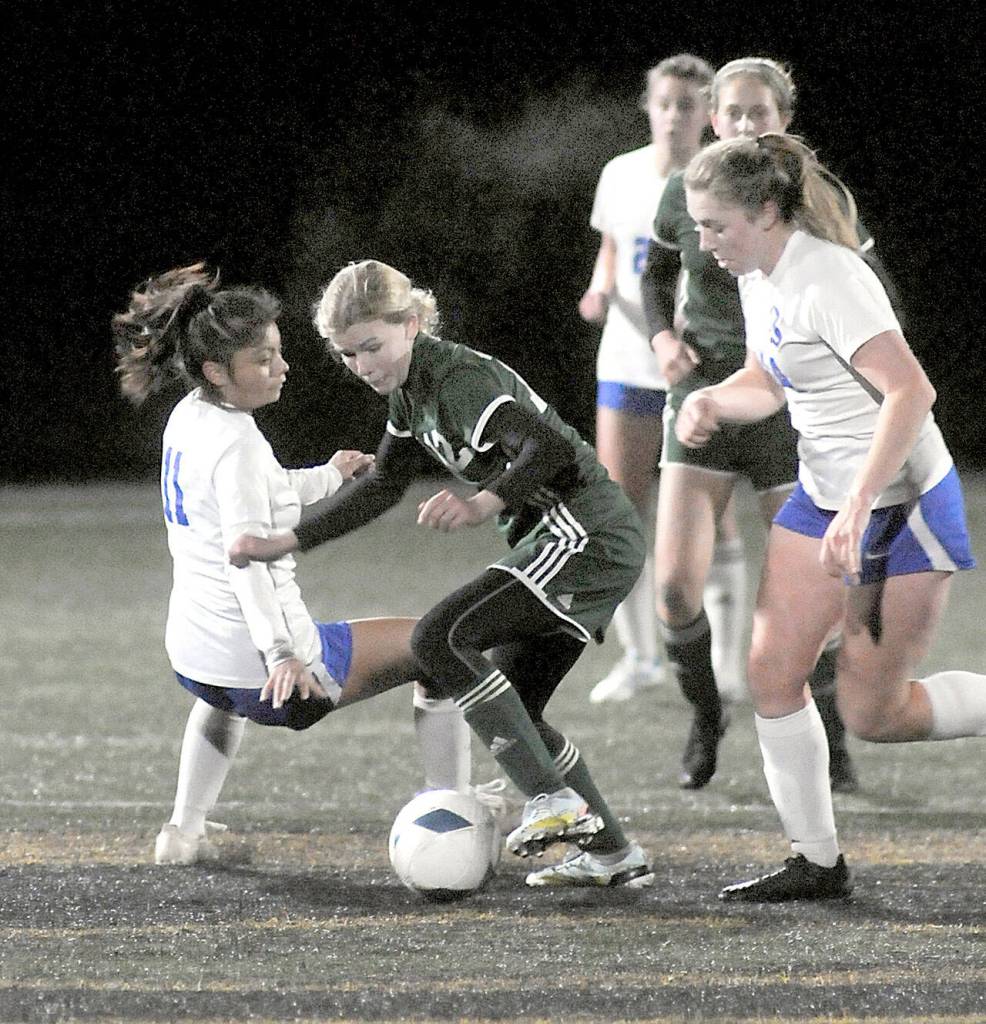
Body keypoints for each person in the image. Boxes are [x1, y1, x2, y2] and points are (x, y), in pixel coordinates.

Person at [229, 259, 655, 888]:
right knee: (520, 711)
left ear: (413, 322)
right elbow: (384, 486)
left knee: (438, 639)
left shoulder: (454, 379)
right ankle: (615, 857)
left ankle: (552, 800)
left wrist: (485, 500)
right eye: (348, 355)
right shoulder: (409, 392)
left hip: (586, 533)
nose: (364, 366)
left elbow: (550, 450)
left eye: (372, 346)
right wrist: (287, 540)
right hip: (566, 536)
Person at [677, 132, 979, 901]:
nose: (703, 242)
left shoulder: (828, 278)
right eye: (697, 225)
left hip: (901, 506)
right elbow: (768, 377)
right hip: (827, 498)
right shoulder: (758, 271)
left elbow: (912, 393)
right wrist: (716, 400)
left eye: (717, 226)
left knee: (875, 714)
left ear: (769, 211)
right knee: (772, 672)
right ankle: (817, 862)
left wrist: (858, 505)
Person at [113, 263, 480, 866]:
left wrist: (330, 474)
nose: (281, 368)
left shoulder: (193, 417)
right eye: (262, 359)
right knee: (439, 646)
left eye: (278, 352)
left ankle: (182, 832)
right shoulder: (237, 445)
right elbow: (245, 561)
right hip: (265, 663)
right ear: (215, 371)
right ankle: (456, 810)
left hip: (195, 654)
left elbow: (267, 493)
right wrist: (281, 652)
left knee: (220, 699)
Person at [641, 57, 875, 792]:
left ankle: (830, 732)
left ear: (784, 118)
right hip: (709, 394)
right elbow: (653, 272)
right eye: (733, 112)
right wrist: (663, 340)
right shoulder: (689, 189)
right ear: (715, 118)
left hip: (791, 408)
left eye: (760, 113)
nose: (746, 124)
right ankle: (707, 716)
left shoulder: (814, 198)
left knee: (817, 592)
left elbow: (863, 298)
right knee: (675, 589)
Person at [579, 54, 747, 705]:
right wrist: (597, 291)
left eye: (688, 104)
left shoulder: (721, 177)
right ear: (648, 106)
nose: (674, 115)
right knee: (618, 512)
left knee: (714, 517)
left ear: (708, 112)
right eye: (664, 102)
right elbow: (615, 253)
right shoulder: (620, 173)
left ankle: (728, 665)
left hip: (699, 366)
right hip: (626, 360)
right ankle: (641, 657)